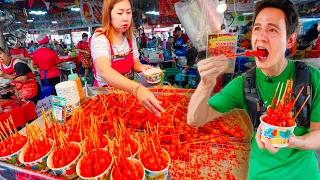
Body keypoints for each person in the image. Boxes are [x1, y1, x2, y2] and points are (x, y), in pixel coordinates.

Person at [187, 0, 320, 179]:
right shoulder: (244, 83)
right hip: (260, 174)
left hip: (303, 174)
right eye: (257, 28)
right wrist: (205, 85)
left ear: (290, 40)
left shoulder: (311, 78)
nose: (261, 36)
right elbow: (195, 119)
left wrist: (294, 141)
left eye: (272, 30)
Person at [90, 0, 164, 116]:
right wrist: (136, 89)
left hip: (127, 95)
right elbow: (104, 70)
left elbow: (135, 63)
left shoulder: (130, 37)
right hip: (106, 98)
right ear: (109, 14)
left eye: (128, 13)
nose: (125, 18)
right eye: (120, 13)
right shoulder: (100, 38)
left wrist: (143, 69)